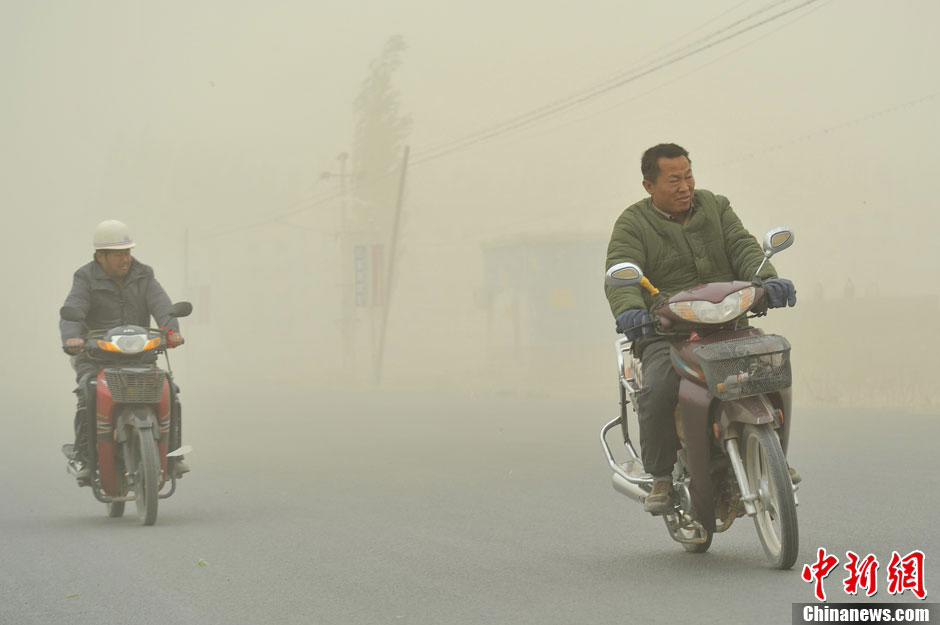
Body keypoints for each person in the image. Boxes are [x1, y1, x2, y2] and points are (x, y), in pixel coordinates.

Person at [605, 143, 798, 514]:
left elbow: (744, 247)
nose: (685, 186)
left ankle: (774, 455)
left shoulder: (716, 207)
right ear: (649, 185)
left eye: (688, 176)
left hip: (730, 324)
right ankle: (661, 475)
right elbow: (623, 270)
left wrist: (769, 281)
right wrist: (631, 312)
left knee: (770, 367)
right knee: (659, 387)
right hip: (667, 333)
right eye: (674, 180)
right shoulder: (633, 224)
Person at [60, 219, 187, 481]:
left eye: (127, 252)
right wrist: (73, 338)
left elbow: (162, 305)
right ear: (100, 255)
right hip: (96, 356)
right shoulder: (85, 278)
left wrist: (171, 330)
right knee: (89, 391)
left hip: (140, 353)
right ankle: (83, 456)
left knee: (170, 391)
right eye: (118, 254)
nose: (125, 259)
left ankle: (173, 454)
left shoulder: (144, 275)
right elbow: (73, 310)